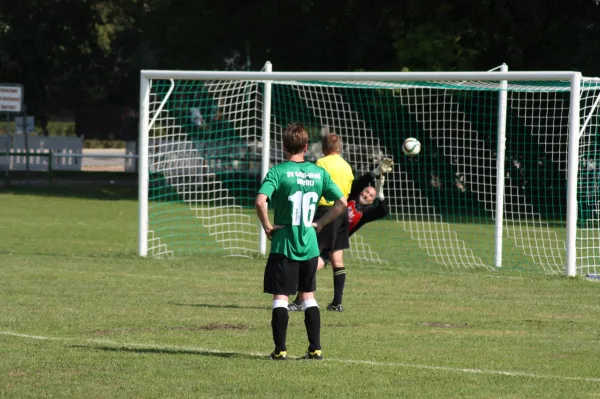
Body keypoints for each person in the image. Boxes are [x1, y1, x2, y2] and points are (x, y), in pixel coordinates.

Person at [256, 122, 347, 361]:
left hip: (284, 243)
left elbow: (260, 201)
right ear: (306, 147)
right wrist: (320, 224)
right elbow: (341, 204)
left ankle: (280, 350)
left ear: (285, 146)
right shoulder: (319, 173)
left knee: (281, 298)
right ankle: (315, 349)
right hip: (309, 244)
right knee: (308, 297)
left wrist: (267, 226)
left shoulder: (278, 172)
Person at [288, 158, 394, 311]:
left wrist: (380, 190)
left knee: (318, 264)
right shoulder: (349, 199)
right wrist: (374, 174)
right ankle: (301, 300)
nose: (366, 195)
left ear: (372, 201)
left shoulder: (365, 214)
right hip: (327, 235)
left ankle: (316, 302)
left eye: (371, 195)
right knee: (312, 265)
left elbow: (383, 210)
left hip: (334, 241)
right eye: (366, 192)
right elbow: (357, 184)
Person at [311, 133, 355, 312]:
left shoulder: (321, 163)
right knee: (337, 259)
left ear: (324, 148)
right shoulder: (347, 166)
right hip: (342, 213)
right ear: (339, 148)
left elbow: (315, 185)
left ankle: (301, 300)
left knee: (312, 256)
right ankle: (337, 302)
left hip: (325, 211)